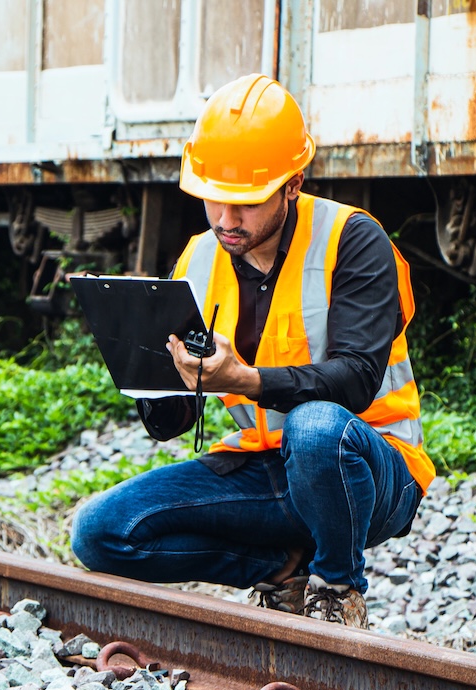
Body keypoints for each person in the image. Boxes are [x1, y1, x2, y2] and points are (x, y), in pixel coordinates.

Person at [70, 74, 435, 629]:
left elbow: (357, 380)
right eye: (213, 197)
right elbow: (173, 422)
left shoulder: (354, 240)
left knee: (314, 429)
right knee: (100, 533)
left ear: (293, 186)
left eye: (245, 203)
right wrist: (148, 369)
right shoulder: (198, 258)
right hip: (262, 469)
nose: (225, 219)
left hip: (371, 468)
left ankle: (337, 590)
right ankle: (283, 567)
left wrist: (244, 379)